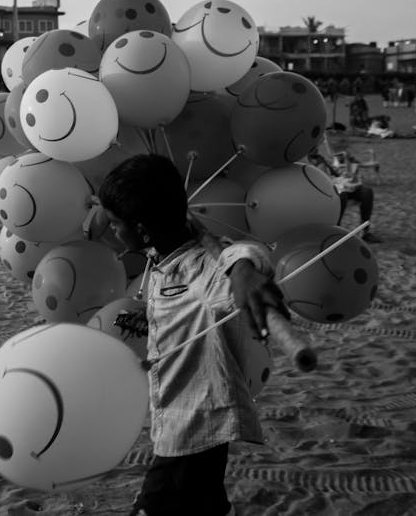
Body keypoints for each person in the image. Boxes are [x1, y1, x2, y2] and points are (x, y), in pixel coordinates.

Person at [96, 154, 289, 516]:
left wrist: (246, 270)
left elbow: (240, 257)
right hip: (177, 418)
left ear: (141, 228)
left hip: (194, 426)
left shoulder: (201, 268)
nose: (112, 231)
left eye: (115, 223)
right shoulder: (165, 245)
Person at [307, 150, 382, 243]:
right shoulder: (304, 161)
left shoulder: (319, 158)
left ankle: (364, 232)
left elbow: (333, 173)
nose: (316, 148)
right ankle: (335, 232)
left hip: (338, 185)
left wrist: (343, 176)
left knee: (366, 192)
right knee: (342, 195)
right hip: (323, 191)